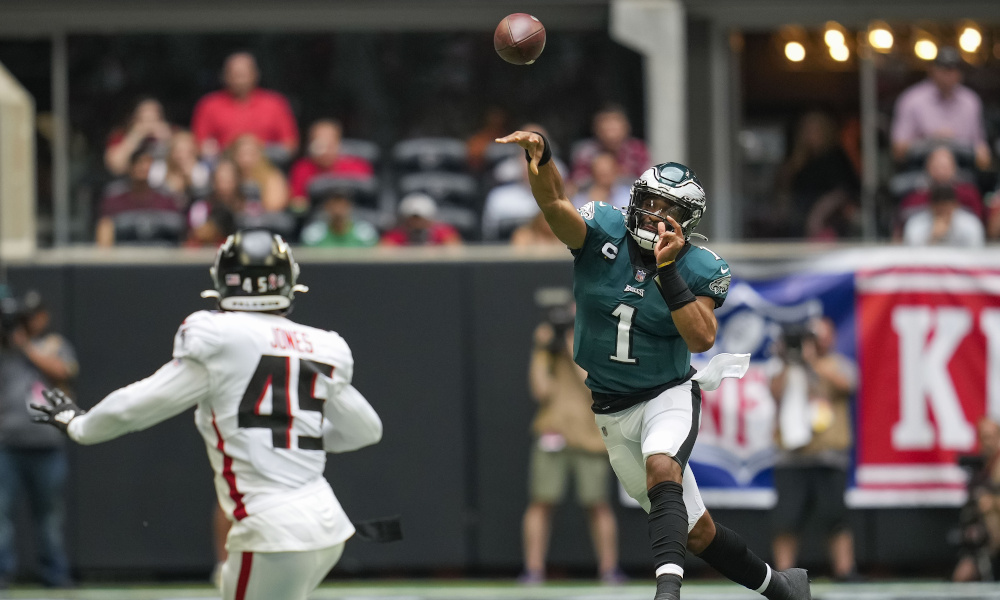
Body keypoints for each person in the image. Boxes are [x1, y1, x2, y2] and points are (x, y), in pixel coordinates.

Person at [496, 130, 809, 600]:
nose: (657, 216)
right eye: (652, 203)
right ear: (636, 198)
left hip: (667, 393)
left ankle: (667, 593)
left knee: (662, 466)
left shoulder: (699, 265)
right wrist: (541, 158)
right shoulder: (602, 231)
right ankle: (781, 588)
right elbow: (556, 204)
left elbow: (702, 336)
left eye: (671, 211)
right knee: (697, 531)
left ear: (688, 221)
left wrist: (668, 272)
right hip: (610, 408)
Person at [32, 230, 384, 600]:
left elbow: (136, 405)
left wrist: (80, 425)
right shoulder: (322, 347)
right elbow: (367, 430)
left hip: (273, 528)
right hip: (326, 523)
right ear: (289, 283)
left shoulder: (219, 337)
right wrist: (301, 430)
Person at [520, 313, 623, 585]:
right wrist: (542, 348)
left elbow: (595, 387)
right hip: (552, 432)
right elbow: (541, 390)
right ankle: (534, 569)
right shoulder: (550, 350)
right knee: (540, 502)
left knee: (598, 504)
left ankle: (609, 569)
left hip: (589, 437)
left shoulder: (598, 340)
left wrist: (573, 345)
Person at [767, 317, 857, 581]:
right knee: (786, 518)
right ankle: (784, 575)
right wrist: (787, 360)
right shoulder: (783, 368)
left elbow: (846, 385)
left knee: (835, 517)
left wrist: (812, 362)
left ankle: (844, 571)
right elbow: (774, 393)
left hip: (828, 456)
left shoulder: (838, 364)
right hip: (791, 458)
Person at [0, 291, 77, 589]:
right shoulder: (5, 351)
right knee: (2, 513)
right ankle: (3, 573)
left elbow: (64, 372)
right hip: (8, 444)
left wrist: (25, 347)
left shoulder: (54, 345)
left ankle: (54, 573)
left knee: (49, 516)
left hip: (46, 445)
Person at [891, 46, 991, 171]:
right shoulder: (912, 99)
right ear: (932, 70)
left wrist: (955, 145)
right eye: (944, 70)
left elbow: (983, 155)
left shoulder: (970, 101)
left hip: (962, 172)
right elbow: (898, 151)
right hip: (920, 173)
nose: (948, 75)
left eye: (953, 70)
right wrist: (933, 141)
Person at [191, 52, 299, 161]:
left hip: (267, 166)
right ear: (224, 76)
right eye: (234, 75)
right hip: (223, 168)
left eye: (243, 75)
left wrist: (255, 152)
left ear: (255, 75)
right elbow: (199, 145)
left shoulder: (275, 104)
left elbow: (290, 145)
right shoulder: (209, 105)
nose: (239, 80)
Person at [773, 111, 860, 239]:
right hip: (797, 226)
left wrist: (817, 216)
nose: (810, 134)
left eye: (815, 129)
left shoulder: (834, 157)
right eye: (806, 130)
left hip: (825, 228)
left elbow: (841, 192)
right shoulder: (800, 161)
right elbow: (785, 194)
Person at [96, 145, 180, 247]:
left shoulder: (166, 198)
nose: (142, 167)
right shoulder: (114, 198)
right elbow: (104, 237)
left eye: (147, 162)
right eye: (138, 162)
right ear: (130, 166)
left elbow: (179, 235)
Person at [288, 120, 375, 211]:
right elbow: (297, 204)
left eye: (329, 144)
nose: (325, 150)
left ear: (338, 144)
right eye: (320, 144)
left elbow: (368, 199)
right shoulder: (302, 169)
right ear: (310, 145)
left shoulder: (358, 167)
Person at [952, 417, 1000, 582]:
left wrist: (992, 502)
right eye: (984, 437)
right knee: (963, 574)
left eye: (992, 437)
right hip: (982, 542)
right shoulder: (981, 469)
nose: (988, 442)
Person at [896, 145, 984, 233]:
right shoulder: (913, 198)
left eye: (945, 167)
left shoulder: (969, 195)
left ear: (954, 169)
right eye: (936, 167)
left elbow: (979, 221)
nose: (941, 172)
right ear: (927, 168)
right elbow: (902, 226)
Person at [570, 104, 650, 187]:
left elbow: (649, 181)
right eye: (606, 130)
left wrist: (618, 176)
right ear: (596, 129)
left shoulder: (637, 149)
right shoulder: (586, 152)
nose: (610, 136)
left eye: (614, 129)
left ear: (626, 128)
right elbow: (576, 183)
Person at [186, 159, 257, 247]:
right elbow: (196, 235)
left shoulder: (249, 207)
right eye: (221, 180)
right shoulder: (201, 208)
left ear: (237, 181)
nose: (224, 186)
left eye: (229, 180)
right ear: (214, 182)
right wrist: (213, 229)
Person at [104, 97, 174, 176]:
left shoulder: (172, 133)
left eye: (153, 120)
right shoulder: (121, 136)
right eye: (143, 120)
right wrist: (134, 137)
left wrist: (168, 140)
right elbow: (115, 166)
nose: (148, 125)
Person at [902, 184, 985, 247]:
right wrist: (933, 238)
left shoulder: (970, 223)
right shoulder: (916, 224)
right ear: (930, 207)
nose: (943, 214)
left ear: (955, 206)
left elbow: (976, 254)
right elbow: (912, 257)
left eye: (947, 210)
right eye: (939, 210)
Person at [149, 130, 212, 207]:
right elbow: (153, 193)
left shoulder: (200, 171)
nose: (182, 156)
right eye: (178, 151)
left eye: (187, 152)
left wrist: (189, 178)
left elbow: (202, 198)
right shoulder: (159, 168)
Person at [230, 134, 290, 213]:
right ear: (234, 156)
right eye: (242, 154)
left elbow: (276, 204)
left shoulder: (271, 176)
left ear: (259, 155)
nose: (246, 159)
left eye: (251, 154)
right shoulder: (230, 176)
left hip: (266, 220)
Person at [300, 191, 379, 248]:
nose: (338, 211)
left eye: (342, 205)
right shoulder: (313, 235)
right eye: (334, 205)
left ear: (350, 207)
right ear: (326, 208)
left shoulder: (365, 234)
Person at [380, 193, 462, 246]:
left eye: (421, 219)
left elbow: (456, 251)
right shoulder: (397, 235)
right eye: (413, 218)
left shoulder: (442, 232)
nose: (417, 223)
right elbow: (383, 251)